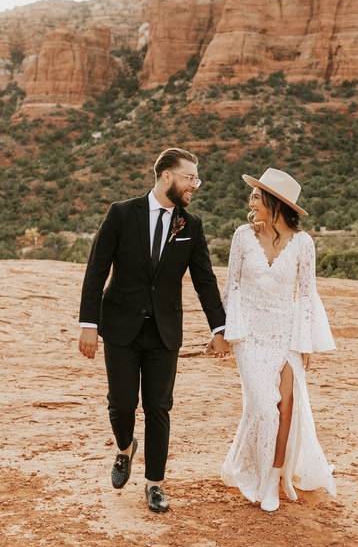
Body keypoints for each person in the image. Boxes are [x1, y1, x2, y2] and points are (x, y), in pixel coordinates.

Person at [78, 147, 230, 513]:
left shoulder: (190, 226)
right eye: (190, 177)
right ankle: (124, 447)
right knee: (121, 404)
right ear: (167, 177)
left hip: (164, 331)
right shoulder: (121, 214)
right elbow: (97, 268)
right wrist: (88, 324)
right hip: (120, 327)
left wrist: (219, 327)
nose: (196, 184)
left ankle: (155, 484)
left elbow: (205, 280)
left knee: (159, 407)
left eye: (197, 178)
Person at [220, 167, 336, 512]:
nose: (250, 201)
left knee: (286, 408)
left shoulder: (303, 244)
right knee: (261, 406)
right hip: (250, 336)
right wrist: (225, 334)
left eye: (256, 196)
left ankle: (272, 479)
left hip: (285, 335)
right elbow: (233, 287)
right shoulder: (242, 236)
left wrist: (302, 344)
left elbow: (306, 294)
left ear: (274, 203)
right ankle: (251, 470)